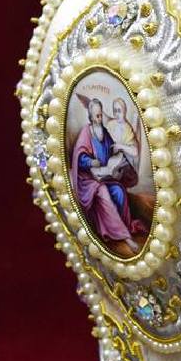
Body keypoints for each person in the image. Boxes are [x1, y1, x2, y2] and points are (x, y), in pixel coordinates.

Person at [69, 98, 147, 253]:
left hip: (103, 177)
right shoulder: (86, 132)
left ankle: (121, 228)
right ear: (91, 117)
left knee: (119, 191)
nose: (99, 119)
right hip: (87, 179)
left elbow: (111, 152)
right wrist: (90, 162)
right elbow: (79, 156)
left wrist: (118, 164)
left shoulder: (104, 132)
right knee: (103, 192)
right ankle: (125, 237)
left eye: (100, 115)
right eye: (96, 116)